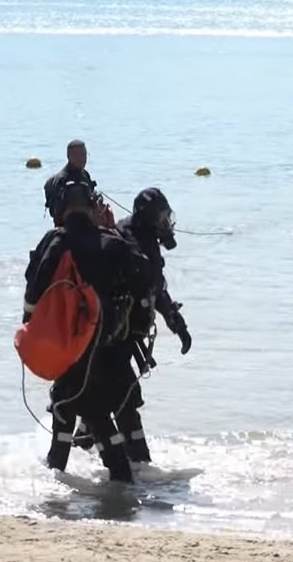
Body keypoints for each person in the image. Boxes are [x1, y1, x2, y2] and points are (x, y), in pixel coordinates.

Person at [23, 179, 150, 482]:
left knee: (80, 411)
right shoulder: (114, 243)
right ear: (92, 206)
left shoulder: (56, 241)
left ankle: (77, 484)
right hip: (112, 349)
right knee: (108, 410)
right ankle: (137, 478)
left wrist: (33, 333)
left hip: (72, 349)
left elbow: (33, 295)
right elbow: (144, 286)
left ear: (61, 208)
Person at [71, 187, 192, 463]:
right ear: (148, 218)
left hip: (122, 340)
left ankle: (81, 457)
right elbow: (147, 285)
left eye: (167, 218)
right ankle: (135, 470)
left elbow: (156, 291)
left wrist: (178, 325)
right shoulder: (126, 243)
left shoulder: (145, 241)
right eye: (161, 218)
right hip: (112, 340)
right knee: (124, 400)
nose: (166, 224)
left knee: (110, 401)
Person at [43, 139, 115, 228]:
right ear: (69, 156)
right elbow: (59, 211)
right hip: (69, 226)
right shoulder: (62, 180)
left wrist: (97, 199)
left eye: (84, 154)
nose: (83, 159)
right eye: (79, 155)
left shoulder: (84, 174)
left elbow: (91, 194)